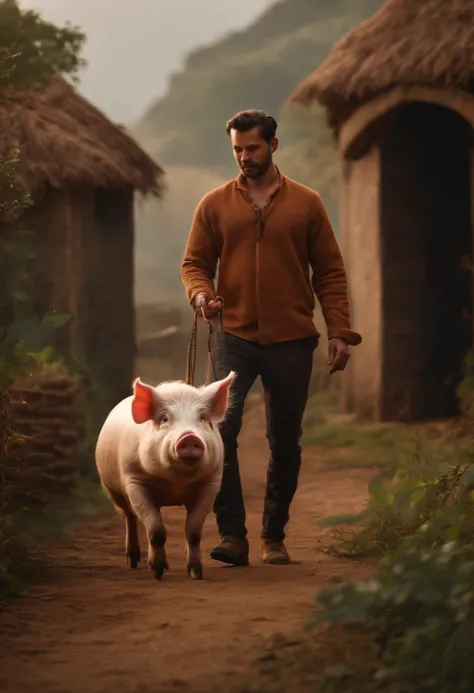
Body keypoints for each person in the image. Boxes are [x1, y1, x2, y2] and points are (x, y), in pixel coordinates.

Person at [181, 109, 362, 567]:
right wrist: (202, 296)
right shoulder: (214, 204)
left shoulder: (307, 203)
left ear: (273, 146)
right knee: (222, 429)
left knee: (285, 440)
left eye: (253, 148)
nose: (244, 156)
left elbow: (331, 272)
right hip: (233, 335)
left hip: (292, 338)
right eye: (238, 149)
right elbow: (194, 265)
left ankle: (273, 536)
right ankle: (233, 536)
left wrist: (338, 330)